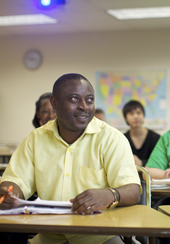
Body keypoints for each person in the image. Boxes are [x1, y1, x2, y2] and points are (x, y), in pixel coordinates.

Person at [0, 73, 141, 244]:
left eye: (89, 100)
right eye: (74, 99)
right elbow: (16, 181)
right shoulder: (36, 139)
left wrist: (110, 195)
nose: (84, 107)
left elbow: (133, 190)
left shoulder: (112, 138)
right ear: (54, 103)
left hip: (99, 236)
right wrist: (9, 192)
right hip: (50, 237)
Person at [123, 100, 161, 166]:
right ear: (125, 118)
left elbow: (159, 161)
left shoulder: (156, 138)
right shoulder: (122, 139)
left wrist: (141, 163)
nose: (136, 116)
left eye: (138, 113)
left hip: (151, 175)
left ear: (143, 115)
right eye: (131, 113)